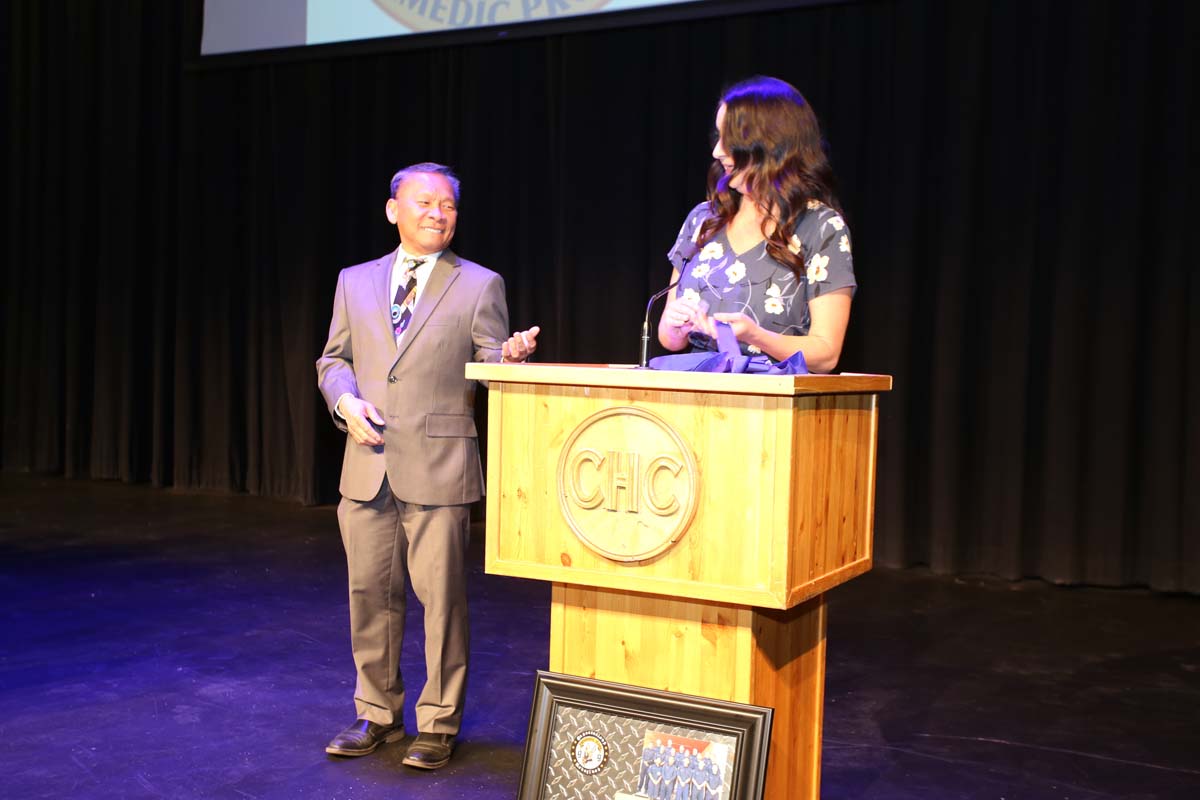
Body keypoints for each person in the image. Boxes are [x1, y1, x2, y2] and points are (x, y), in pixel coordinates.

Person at [316, 162, 539, 769]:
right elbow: (333, 359)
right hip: (366, 461)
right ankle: (378, 714)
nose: (438, 213)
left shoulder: (478, 284)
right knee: (369, 595)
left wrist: (511, 359)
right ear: (393, 210)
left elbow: (492, 360)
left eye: (448, 206)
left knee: (440, 601)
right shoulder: (353, 281)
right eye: (424, 202)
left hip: (439, 464)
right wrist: (343, 398)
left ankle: (438, 723)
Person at [657, 76, 855, 373]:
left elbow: (826, 353)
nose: (717, 151)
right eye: (717, 136)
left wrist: (756, 336)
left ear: (770, 145)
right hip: (692, 399)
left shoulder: (820, 227)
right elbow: (668, 339)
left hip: (771, 407)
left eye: (730, 140)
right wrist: (675, 327)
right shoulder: (703, 219)